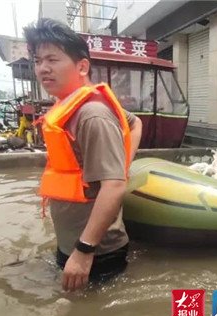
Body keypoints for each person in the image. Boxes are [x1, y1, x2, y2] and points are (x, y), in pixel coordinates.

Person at [24, 18, 142, 291]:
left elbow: (113, 188)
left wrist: (84, 251)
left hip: (95, 253)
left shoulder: (92, 115)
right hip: (73, 244)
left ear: (82, 66)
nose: (43, 68)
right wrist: (121, 163)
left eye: (52, 59)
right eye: (38, 60)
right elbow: (135, 122)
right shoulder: (67, 106)